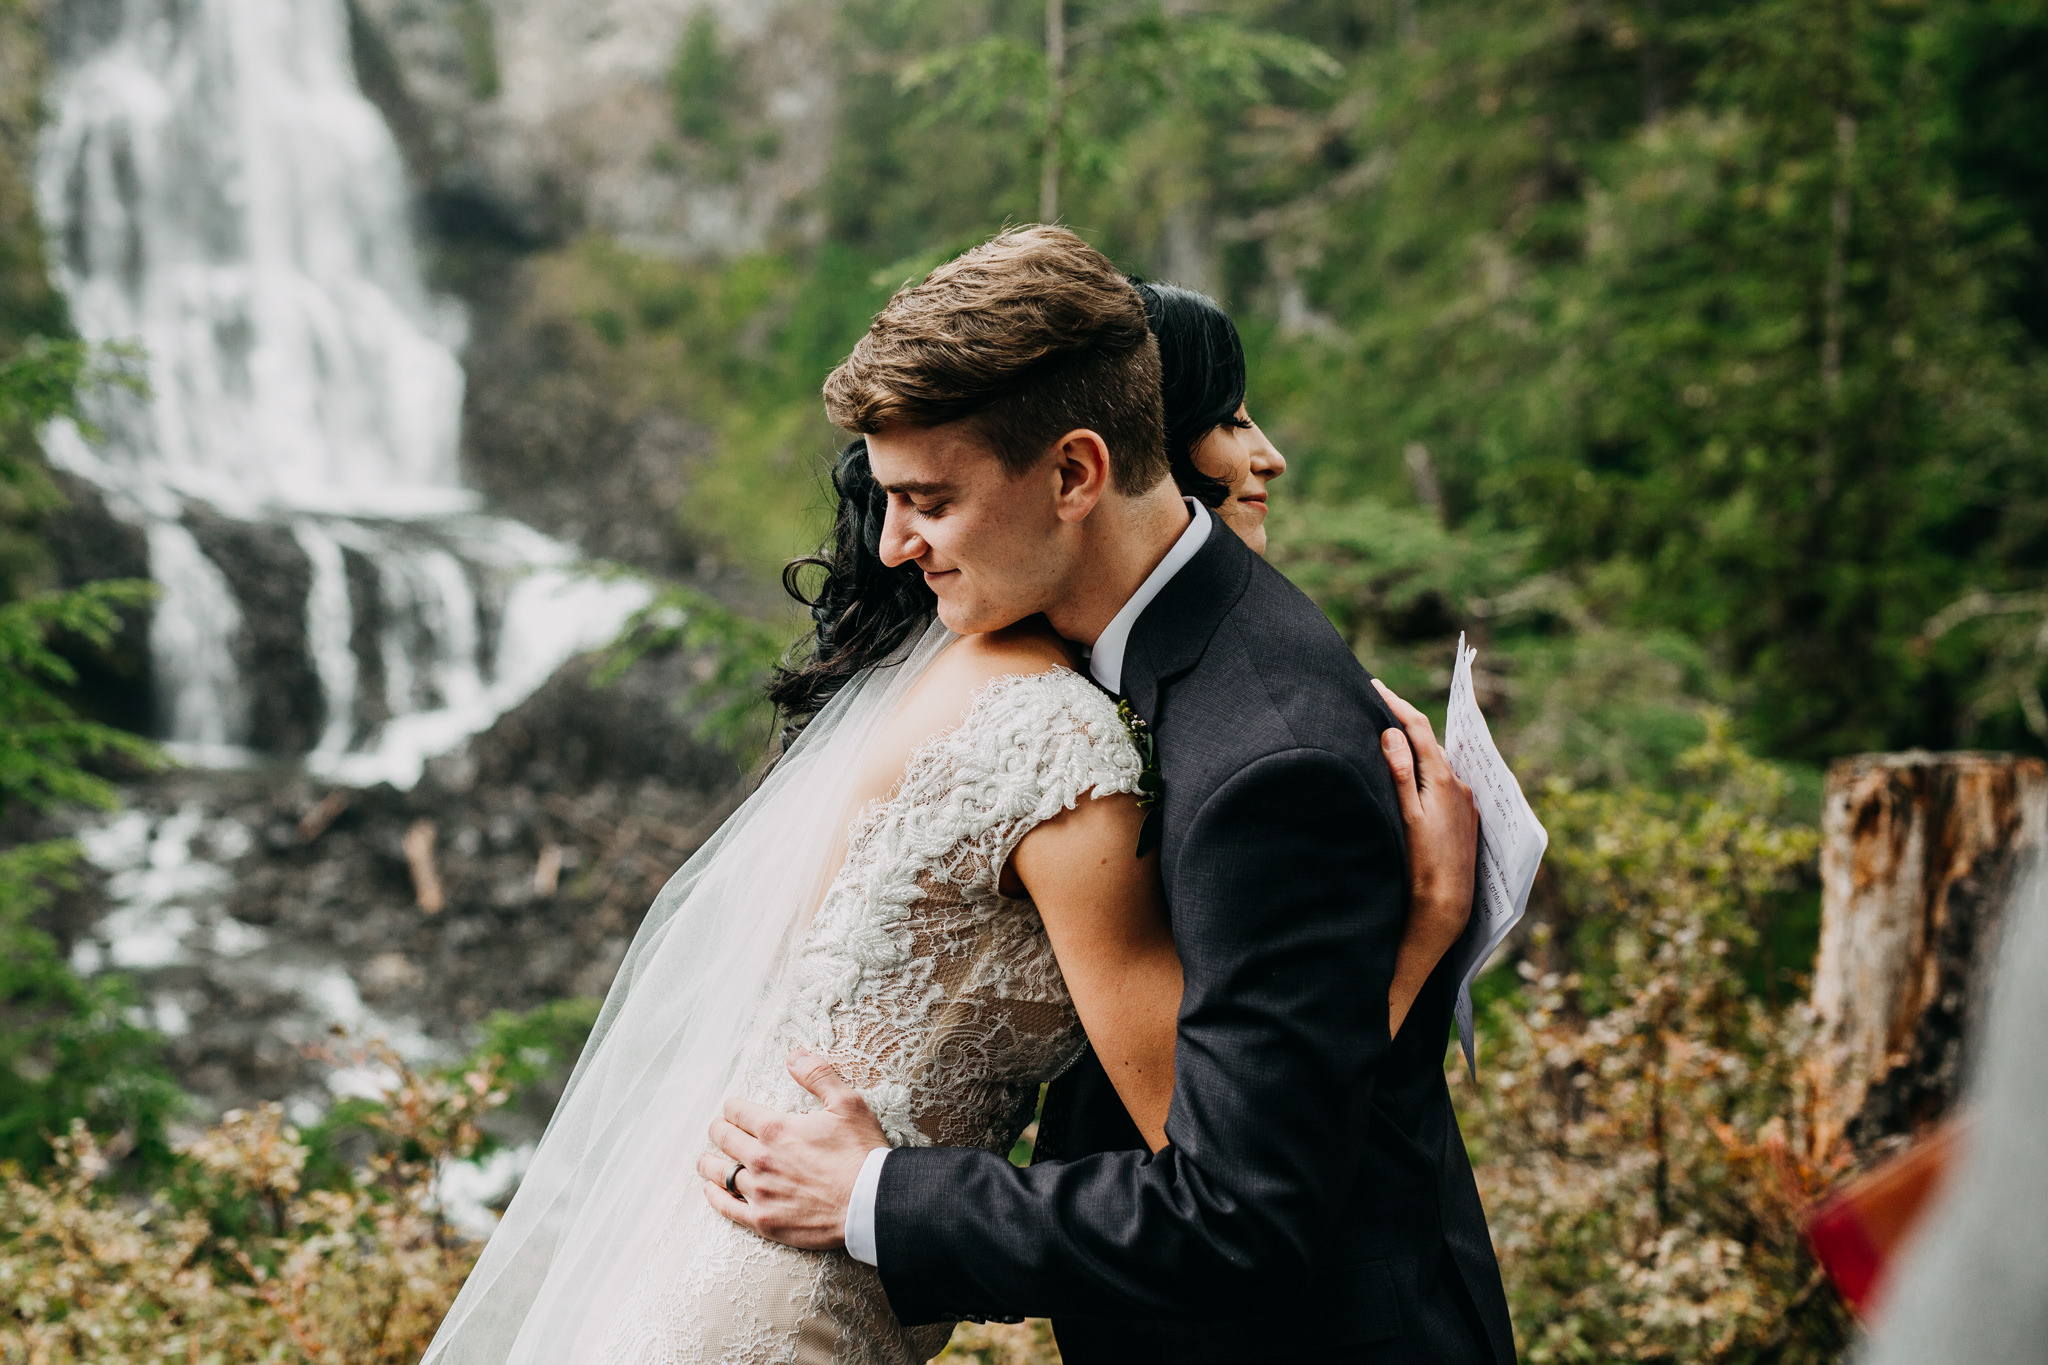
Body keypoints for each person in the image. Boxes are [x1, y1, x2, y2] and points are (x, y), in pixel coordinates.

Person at [703, 227, 1514, 1364]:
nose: (890, 546)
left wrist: (873, 1196)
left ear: (1077, 474)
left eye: (928, 500)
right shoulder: (1063, 658)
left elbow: (1239, 1211)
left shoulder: (1270, 760)